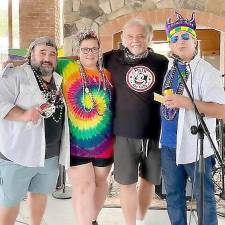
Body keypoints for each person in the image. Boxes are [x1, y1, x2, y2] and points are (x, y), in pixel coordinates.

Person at [160, 12, 225, 225]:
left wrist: (186, 103)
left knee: (204, 200)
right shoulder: (169, 67)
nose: (180, 42)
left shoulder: (208, 72)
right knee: (174, 198)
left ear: (195, 41)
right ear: (170, 43)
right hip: (168, 147)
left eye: (186, 37)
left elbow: (222, 110)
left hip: (197, 150)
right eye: (175, 38)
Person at [103, 18, 168, 225]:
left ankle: (141, 218)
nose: (135, 40)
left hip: (154, 132)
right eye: (130, 36)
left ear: (149, 38)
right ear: (122, 38)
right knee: (126, 183)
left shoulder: (161, 62)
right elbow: (82, 62)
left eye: (140, 36)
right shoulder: (110, 59)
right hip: (123, 132)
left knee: (149, 181)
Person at [0, 37, 70, 225]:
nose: (47, 58)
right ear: (31, 55)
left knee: (40, 194)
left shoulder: (58, 79)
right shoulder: (15, 75)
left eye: (52, 54)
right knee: (10, 201)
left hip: (50, 155)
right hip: (18, 155)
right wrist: (23, 115)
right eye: (42, 53)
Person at [56, 29, 113, 225]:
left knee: (100, 184)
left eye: (94, 49)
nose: (90, 53)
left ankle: (92, 220)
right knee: (83, 187)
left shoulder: (107, 74)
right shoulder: (67, 67)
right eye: (85, 49)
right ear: (78, 50)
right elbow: (41, 61)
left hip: (105, 141)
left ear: (99, 51)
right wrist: (12, 63)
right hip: (77, 141)